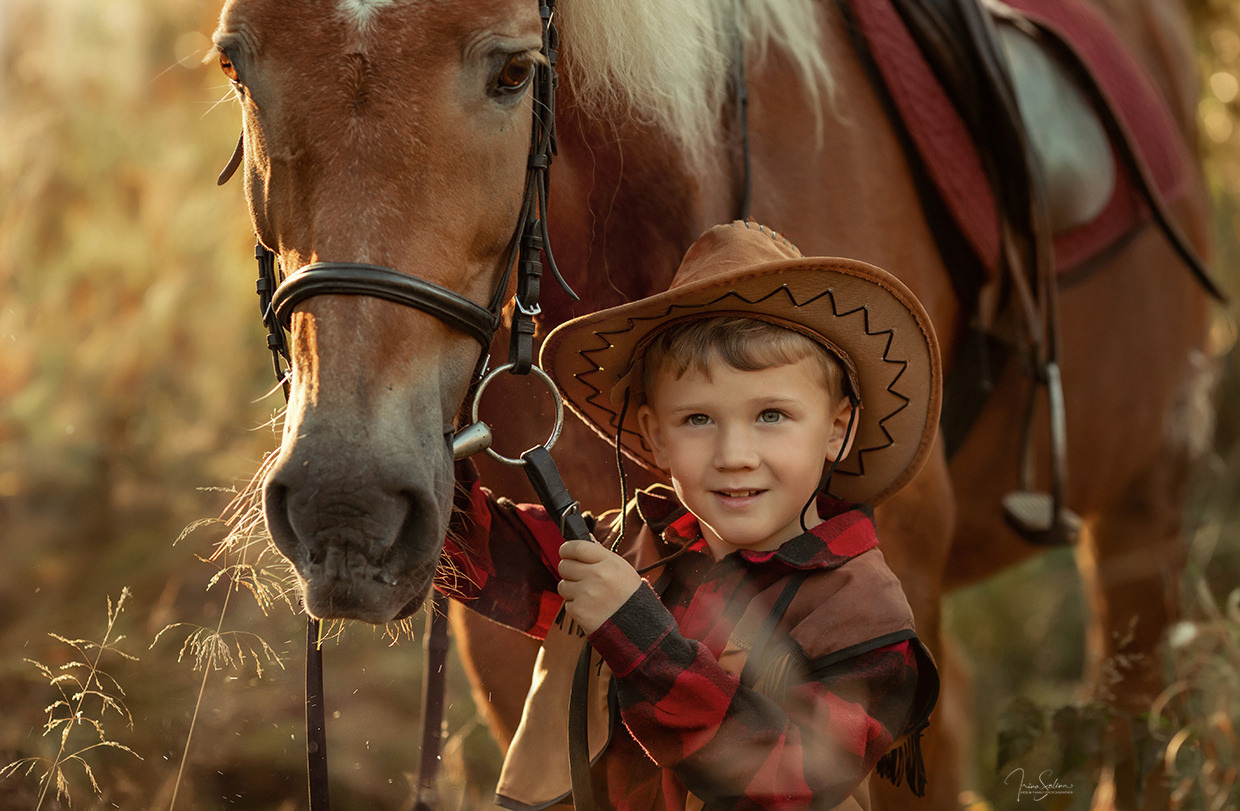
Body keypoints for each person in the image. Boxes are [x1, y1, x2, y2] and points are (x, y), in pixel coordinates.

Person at [442, 221, 942, 810]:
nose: (735, 456)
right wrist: (419, 423)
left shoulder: (865, 619)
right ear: (656, 437)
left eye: (772, 415)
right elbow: (469, 551)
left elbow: (789, 783)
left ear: (836, 429)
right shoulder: (621, 550)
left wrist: (638, 636)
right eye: (698, 420)